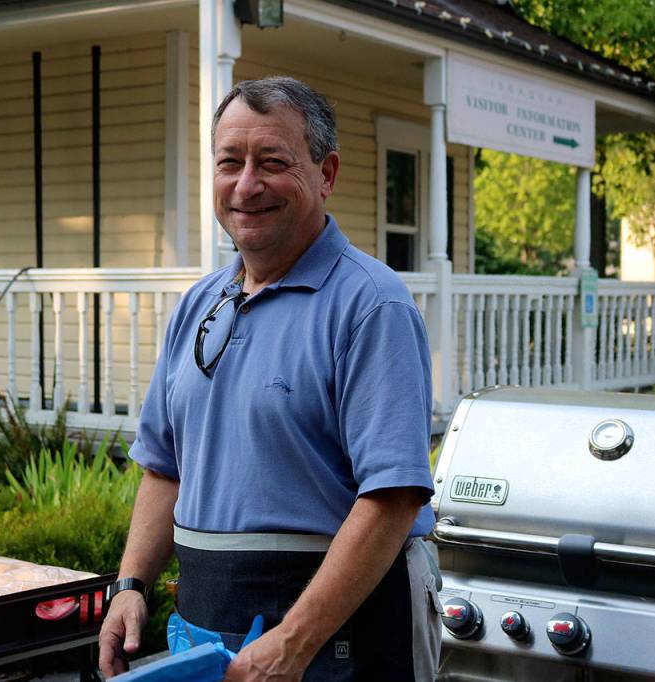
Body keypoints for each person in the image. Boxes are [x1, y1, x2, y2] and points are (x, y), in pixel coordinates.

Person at [98, 76, 441, 681]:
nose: (246, 184)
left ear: (326, 173)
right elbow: (165, 466)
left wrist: (294, 641)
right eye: (230, 162)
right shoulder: (199, 304)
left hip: (340, 641)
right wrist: (131, 586)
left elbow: (392, 499)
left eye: (273, 163)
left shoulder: (371, 305)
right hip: (209, 630)